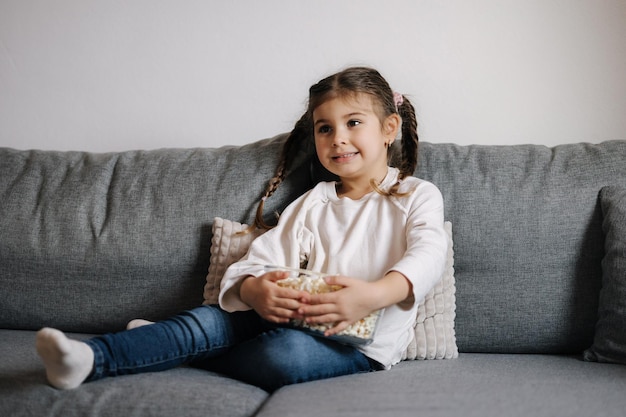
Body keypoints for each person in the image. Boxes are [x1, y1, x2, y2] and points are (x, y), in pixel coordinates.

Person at [36, 66, 448, 392]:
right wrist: (256, 290)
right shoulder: (314, 202)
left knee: (283, 356)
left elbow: (429, 253)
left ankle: (166, 346)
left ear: (389, 128)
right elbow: (263, 259)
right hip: (291, 317)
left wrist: (374, 294)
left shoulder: (415, 195)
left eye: (353, 122)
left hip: (361, 345)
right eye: (325, 128)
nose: (338, 139)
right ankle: (89, 358)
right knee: (206, 321)